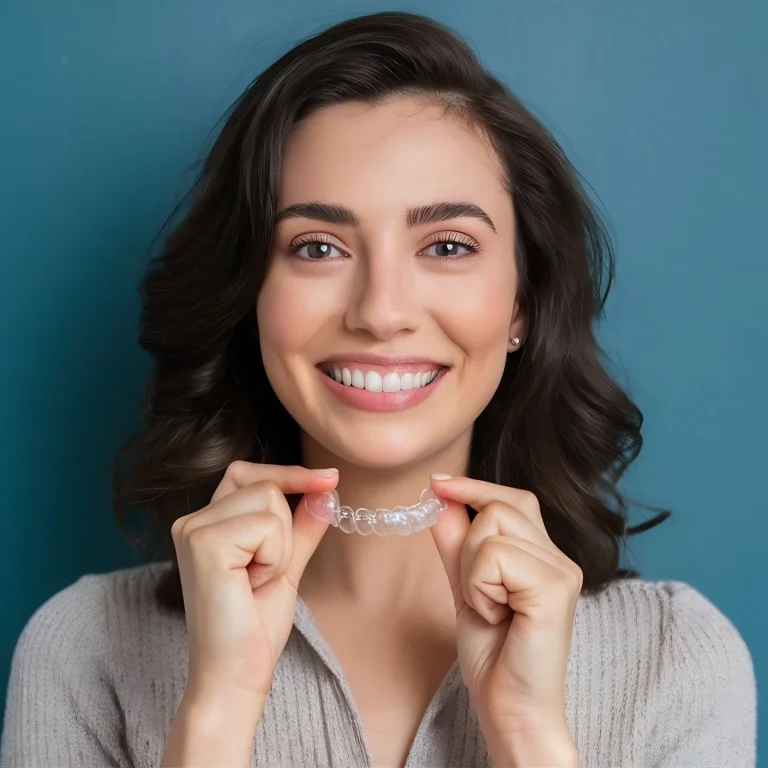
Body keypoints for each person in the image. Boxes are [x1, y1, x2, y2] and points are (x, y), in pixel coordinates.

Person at [0, 10, 757, 768]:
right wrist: (218, 707)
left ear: (522, 306)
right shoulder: (87, 650)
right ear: (249, 295)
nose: (381, 311)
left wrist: (529, 732)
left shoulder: (675, 660)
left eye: (448, 245)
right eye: (318, 247)